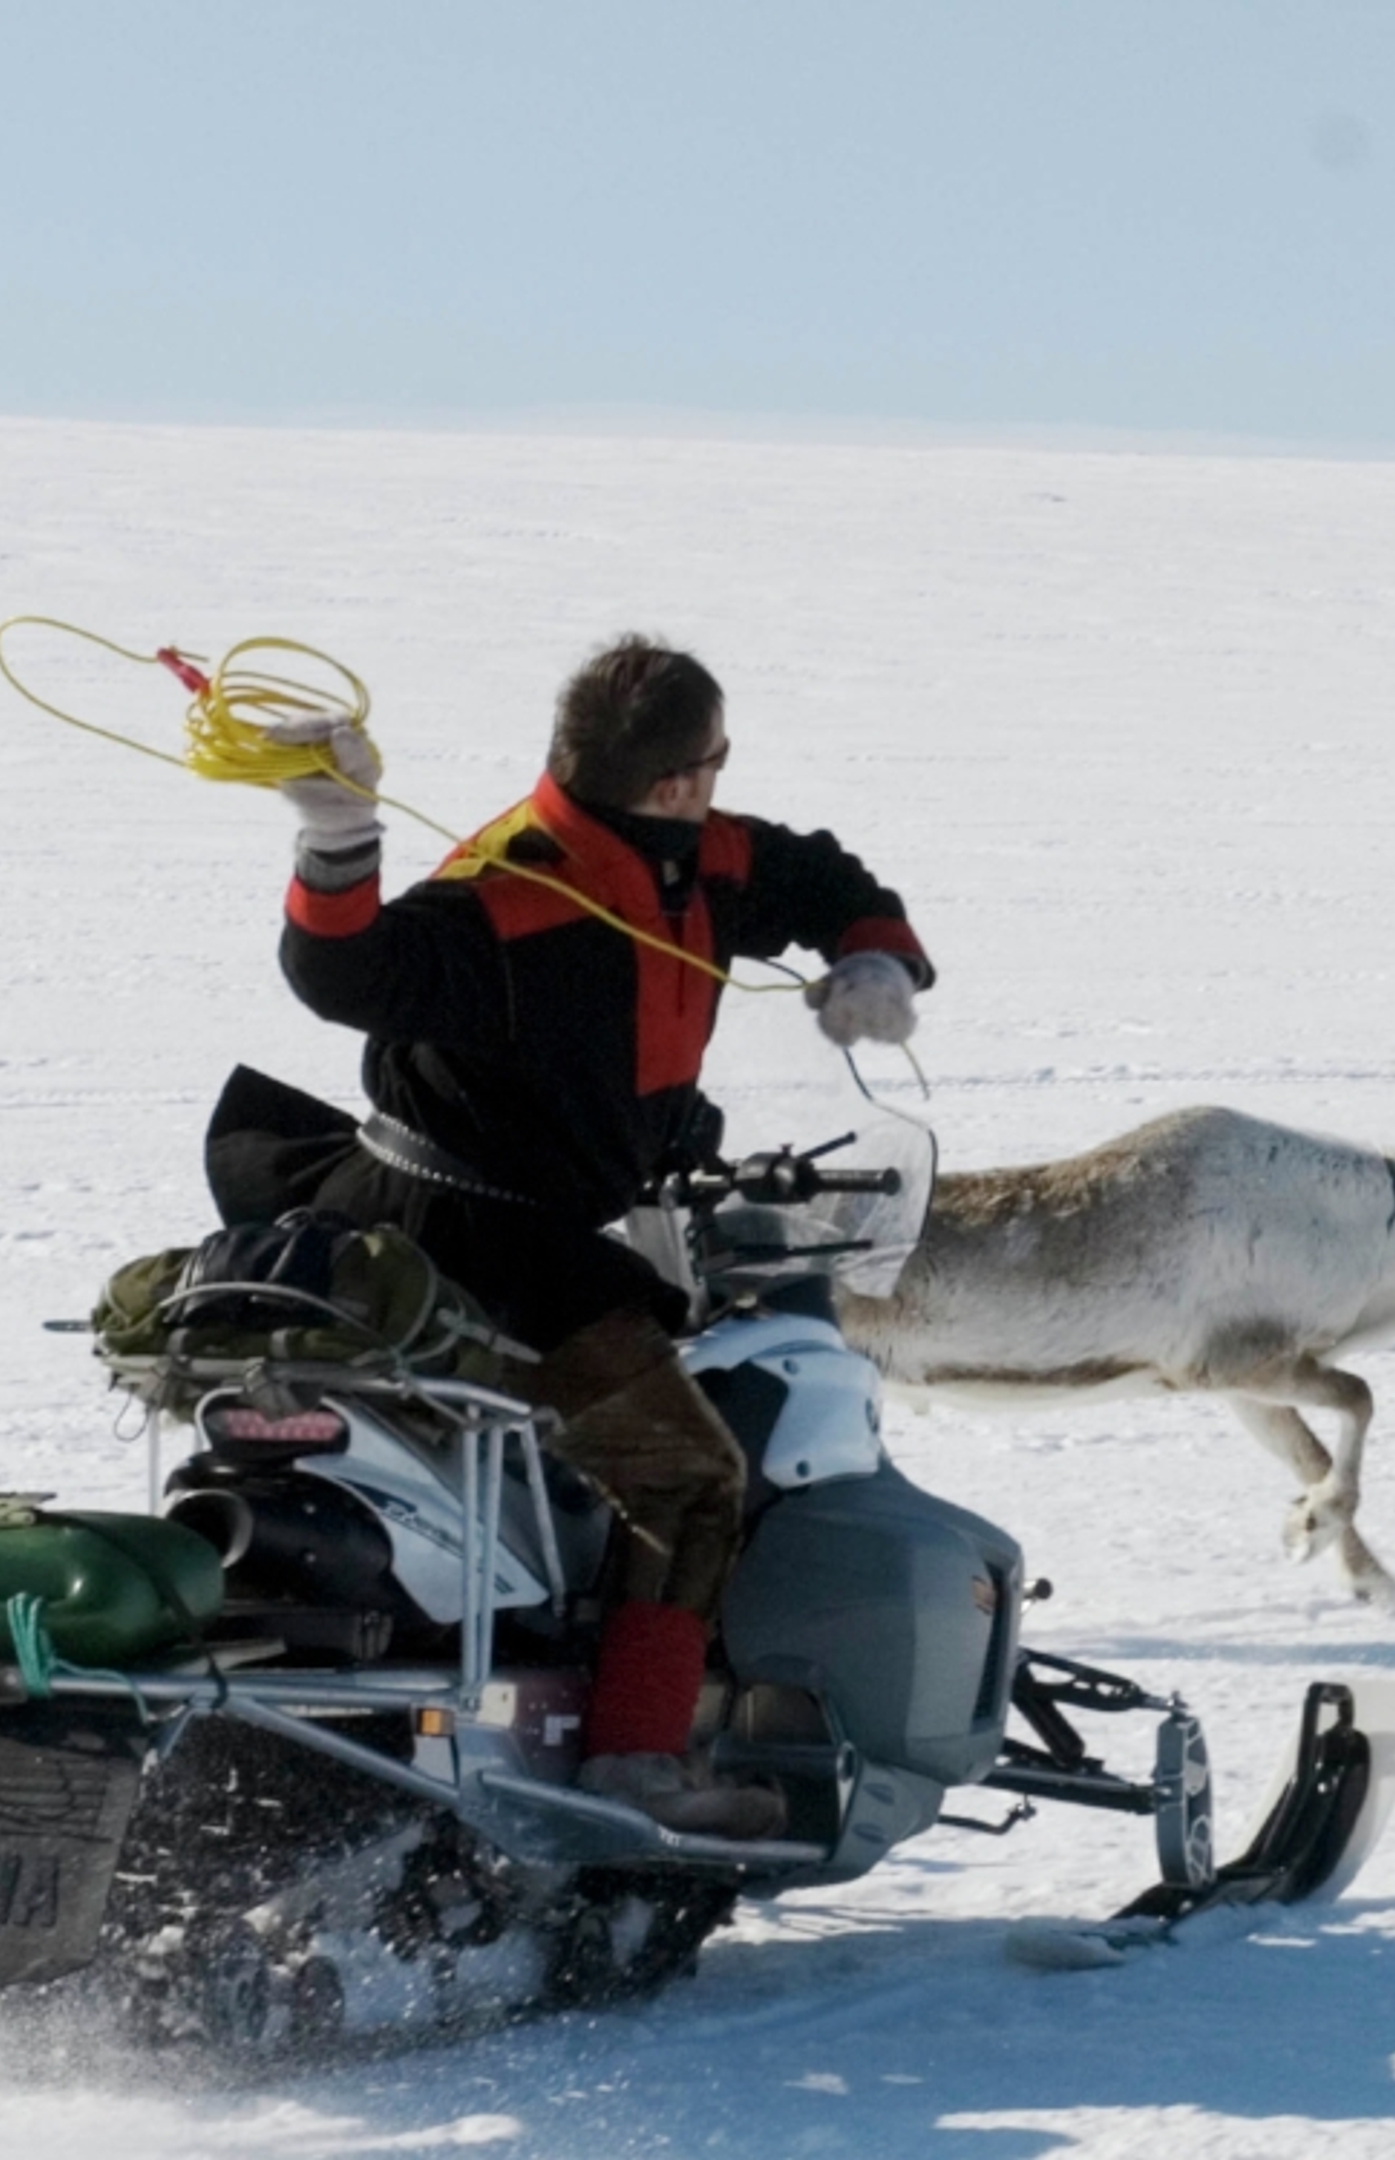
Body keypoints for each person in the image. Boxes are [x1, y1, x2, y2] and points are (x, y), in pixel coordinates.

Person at [268, 635, 928, 1839]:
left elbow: (818, 875)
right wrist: (337, 837)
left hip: (534, 1222)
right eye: (716, 762)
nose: (721, 782)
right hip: (472, 1239)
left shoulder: (702, 855)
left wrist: (872, 955)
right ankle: (636, 1764)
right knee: (688, 1479)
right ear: (676, 780)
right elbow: (346, 973)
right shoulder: (516, 890)